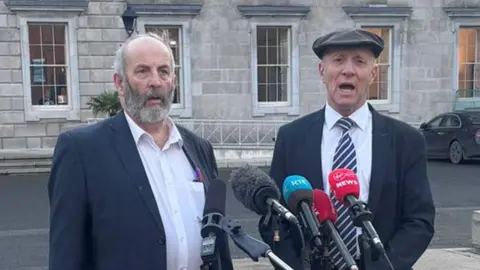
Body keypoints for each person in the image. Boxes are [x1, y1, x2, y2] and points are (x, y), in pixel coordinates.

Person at [48, 32, 233, 270]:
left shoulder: (199, 148)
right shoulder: (81, 151)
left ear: (173, 81)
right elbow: (66, 256)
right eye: (143, 71)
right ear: (120, 83)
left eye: (163, 71)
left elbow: (218, 240)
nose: (155, 81)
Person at [260, 28, 435, 270]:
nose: (348, 70)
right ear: (322, 71)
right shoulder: (292, 137)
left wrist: (385, 266)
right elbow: (276, 217)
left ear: (373, 73)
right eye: (339, 60)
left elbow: (419, 220)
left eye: (359, 62)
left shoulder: (406, 140)